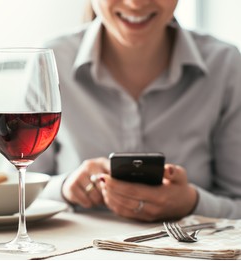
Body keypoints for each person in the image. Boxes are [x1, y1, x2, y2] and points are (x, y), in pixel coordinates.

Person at [27, 0, 241, 221]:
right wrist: (65, 188)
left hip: (187, 253)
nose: (136, 3)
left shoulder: (225, 64)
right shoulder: (51, 61)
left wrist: (191, 203)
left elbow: (238, 201)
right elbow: (16, 186)